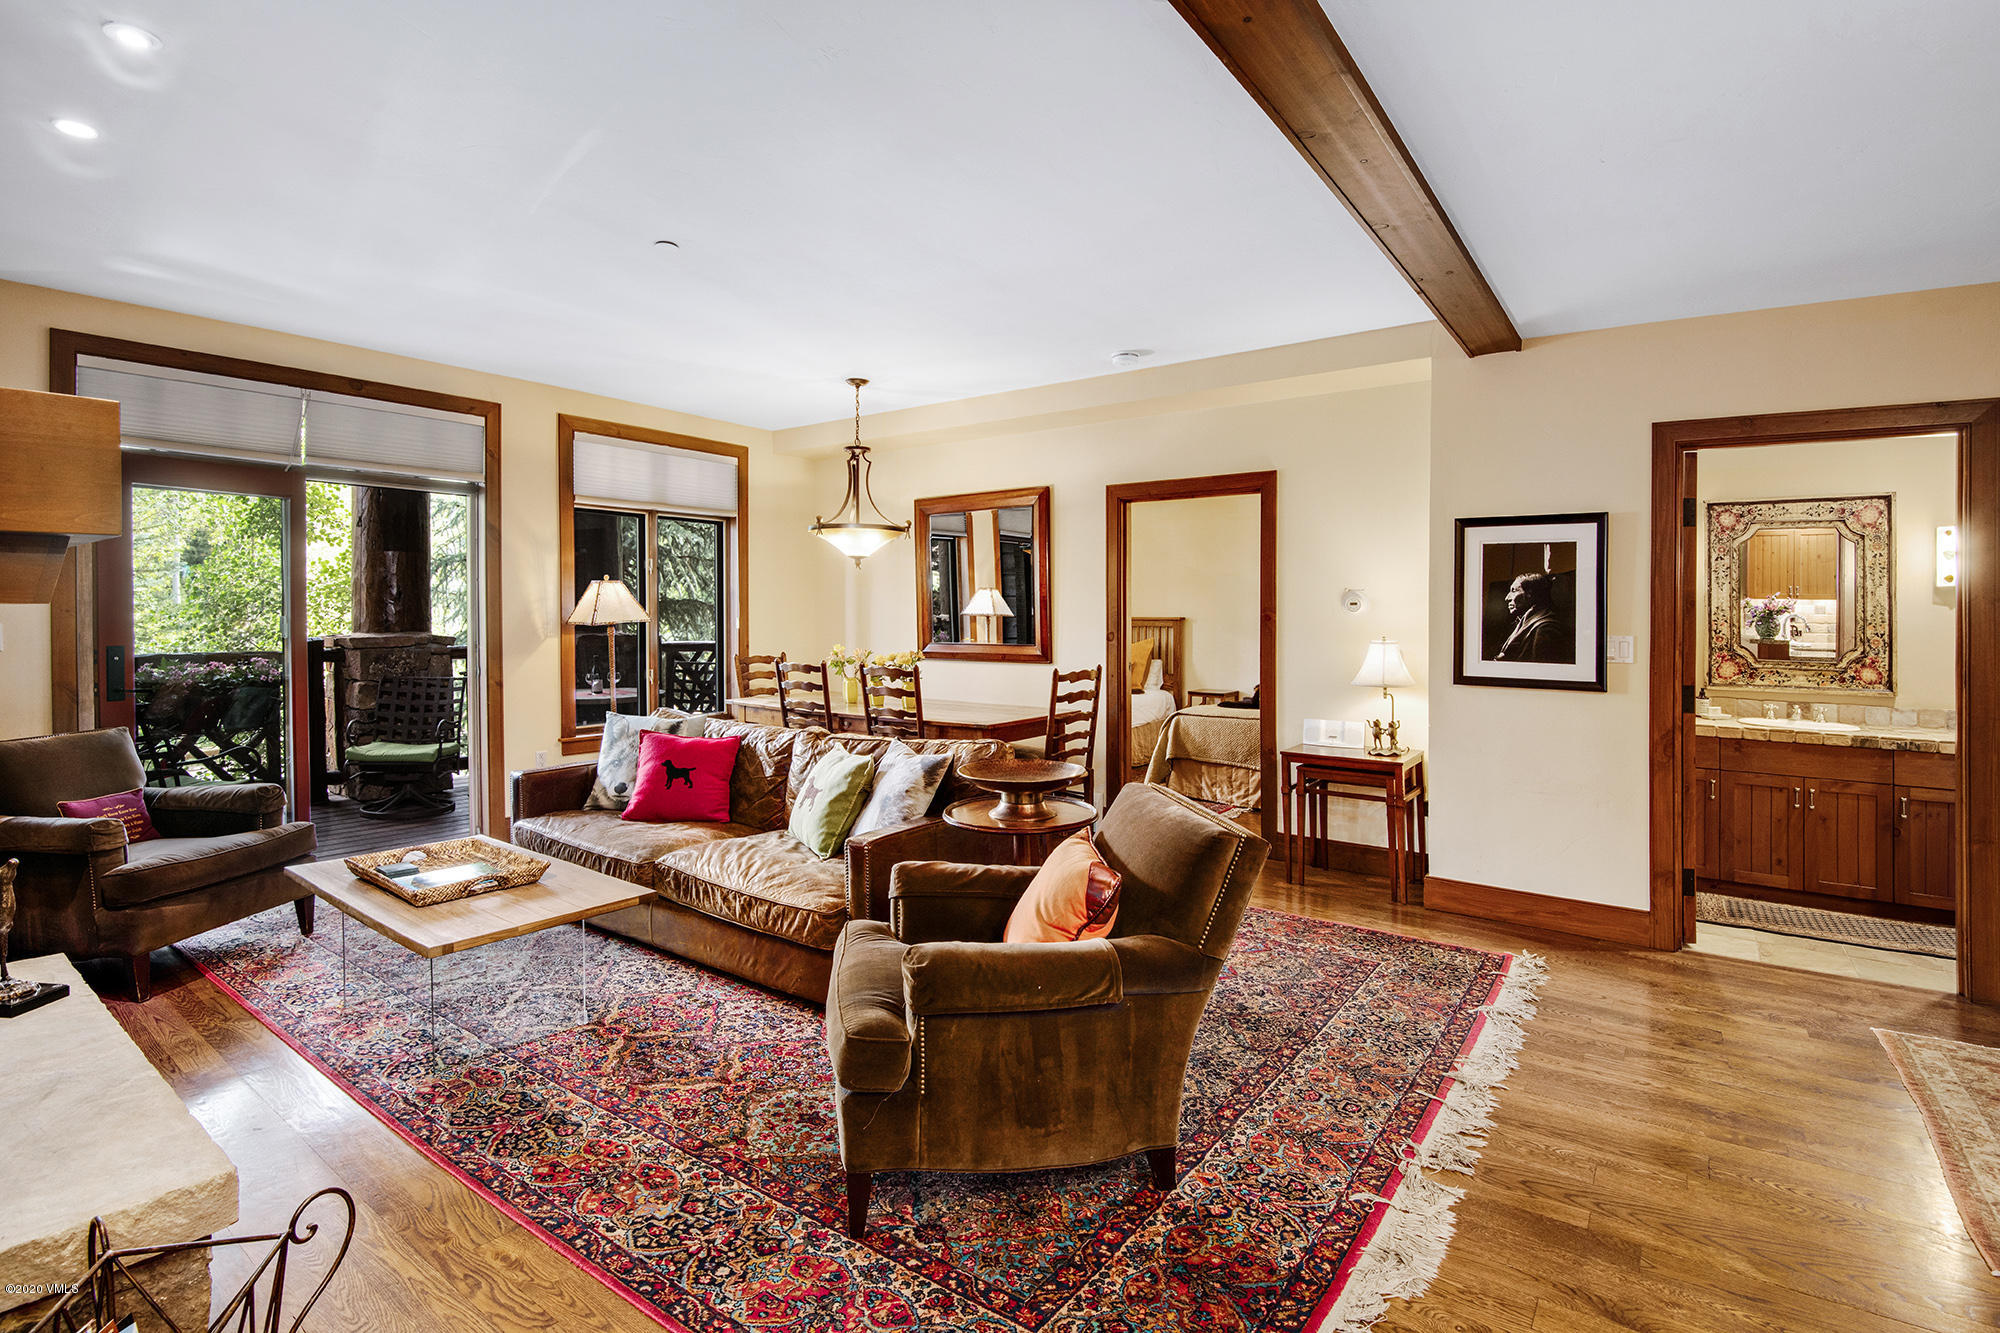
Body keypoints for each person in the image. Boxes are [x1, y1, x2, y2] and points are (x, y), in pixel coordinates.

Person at [1493, 571, 1571, 663]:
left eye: (1513, 591)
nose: (1507, 598)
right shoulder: (1524, 622)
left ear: (1530, 593)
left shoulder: (1545, 628)